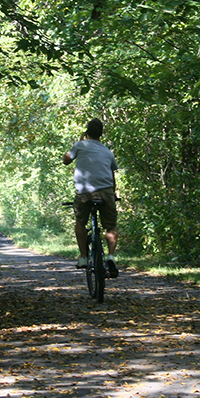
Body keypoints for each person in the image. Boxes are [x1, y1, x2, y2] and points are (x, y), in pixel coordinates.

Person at [62, 118, 119, 278]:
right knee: (111, 226)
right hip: (106, 192)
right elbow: (112, 173)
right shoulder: (107, 151)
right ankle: (111, 257)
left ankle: (83, 257)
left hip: (85, 193)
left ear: (86, 132)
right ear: (101, 134)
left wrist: (78, 142)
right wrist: (113, 194)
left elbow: (66, 160)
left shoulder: (80, 145)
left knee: (80, 221)